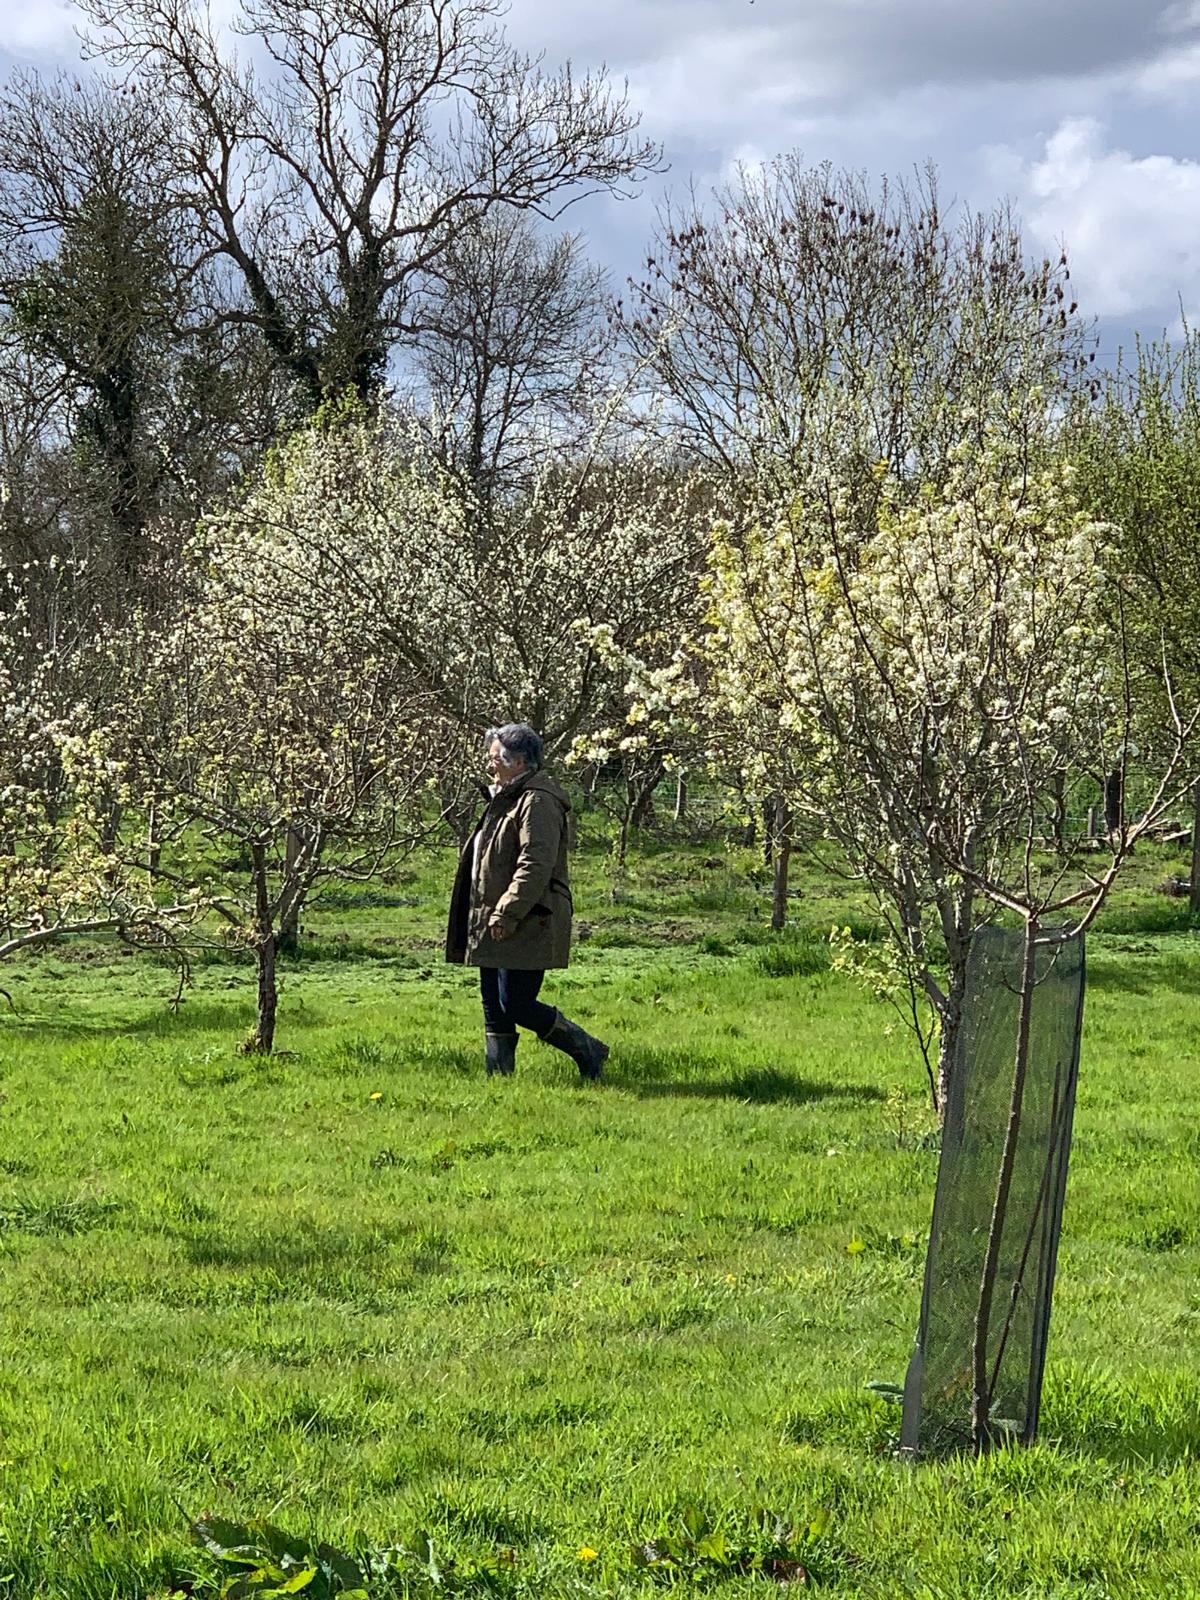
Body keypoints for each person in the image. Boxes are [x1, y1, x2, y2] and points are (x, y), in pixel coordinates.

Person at [445, 723, 609, 1081]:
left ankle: (588, 1048)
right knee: (494, 1003)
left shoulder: (538, 801)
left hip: (529, 916)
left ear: (519, 761)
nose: (490, 766)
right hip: (493, 913)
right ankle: (500, 1080)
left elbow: (535, 863)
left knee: (516, 1003)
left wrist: (507, 910)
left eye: (496, 759)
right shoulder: (506, 796)